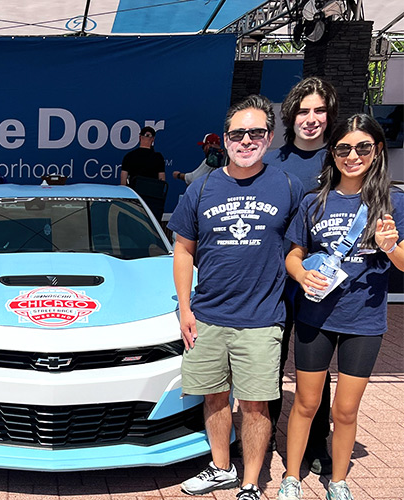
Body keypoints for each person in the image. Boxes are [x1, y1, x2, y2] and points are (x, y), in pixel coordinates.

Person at [168, 95, 304, 500]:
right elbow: (183, 249)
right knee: (213, 396)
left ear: (270, 136)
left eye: (256, 132)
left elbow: (297, 248)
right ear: (225, 139)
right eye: (237, 133)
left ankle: (249, 482)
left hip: (261, 318)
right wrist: (185, 309)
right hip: (207, 315)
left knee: (255, 405)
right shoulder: (203, 187)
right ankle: (220, 467)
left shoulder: (287, 186)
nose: (246, 140)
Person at [277, 114, 403, 500]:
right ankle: (292, 477)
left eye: (363, 147)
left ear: (377, 150)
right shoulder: (315, 201)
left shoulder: (394, 201)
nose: (353, 156)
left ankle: (338, 481)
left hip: (363, 321)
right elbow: (294, 253)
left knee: (345, 411)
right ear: (332, 154)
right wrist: (300, 275)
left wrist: (391, 247)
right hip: (315, 316)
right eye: (343, 148)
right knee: (306, 402)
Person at [264, 76, 339, 474]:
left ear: (329, 116)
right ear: (290, 115)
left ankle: (316, 444)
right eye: (303, 110)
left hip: (319, 283)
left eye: (319, 111)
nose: (311, 119)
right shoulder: (272, 161)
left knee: (314, 370)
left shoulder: (339, 160)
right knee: (268, 366)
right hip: (273, 283)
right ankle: (265, 435)